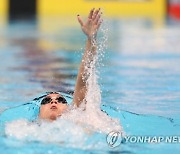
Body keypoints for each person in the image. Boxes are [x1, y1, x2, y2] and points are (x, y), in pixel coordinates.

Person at [39, 8, 103, 121]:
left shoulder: (75, 118)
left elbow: (83, 82)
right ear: (38, 112)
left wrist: (91, 38)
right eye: (46, 101)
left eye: (61, 100)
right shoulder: (21, 128)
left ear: (70, 109)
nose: (54, 101)